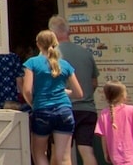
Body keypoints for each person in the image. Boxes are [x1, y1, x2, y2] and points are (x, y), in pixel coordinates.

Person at [23, 30, 87, 165]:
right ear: (55, 43)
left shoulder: (32, 63)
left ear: (38, 44)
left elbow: (27, 90)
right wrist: (63, 92)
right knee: (64, 158)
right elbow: (79, 93)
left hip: (42, 110)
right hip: (64, 111)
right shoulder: (65, 64)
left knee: (39, 153)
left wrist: (33, 104)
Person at [52, 15, 102, 165]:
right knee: (87, 151)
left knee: (60, 153)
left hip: (62, 109)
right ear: (69, 32)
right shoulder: (86, 53)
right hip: (87, 109)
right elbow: (94, 82)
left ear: (52, 33)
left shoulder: (52, 55)